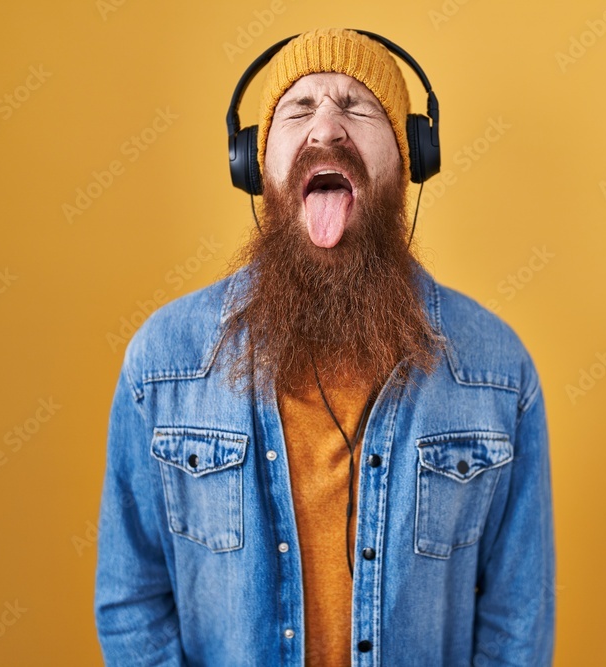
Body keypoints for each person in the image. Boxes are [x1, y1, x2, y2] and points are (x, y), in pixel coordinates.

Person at [95, 27, 555, 666]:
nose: (327, 129)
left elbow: (517, 621)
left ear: (410, 157)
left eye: (357, 106)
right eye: (299, 109)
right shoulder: (164, 361)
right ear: (253, 164)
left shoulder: (497, 373)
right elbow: (131, 599)